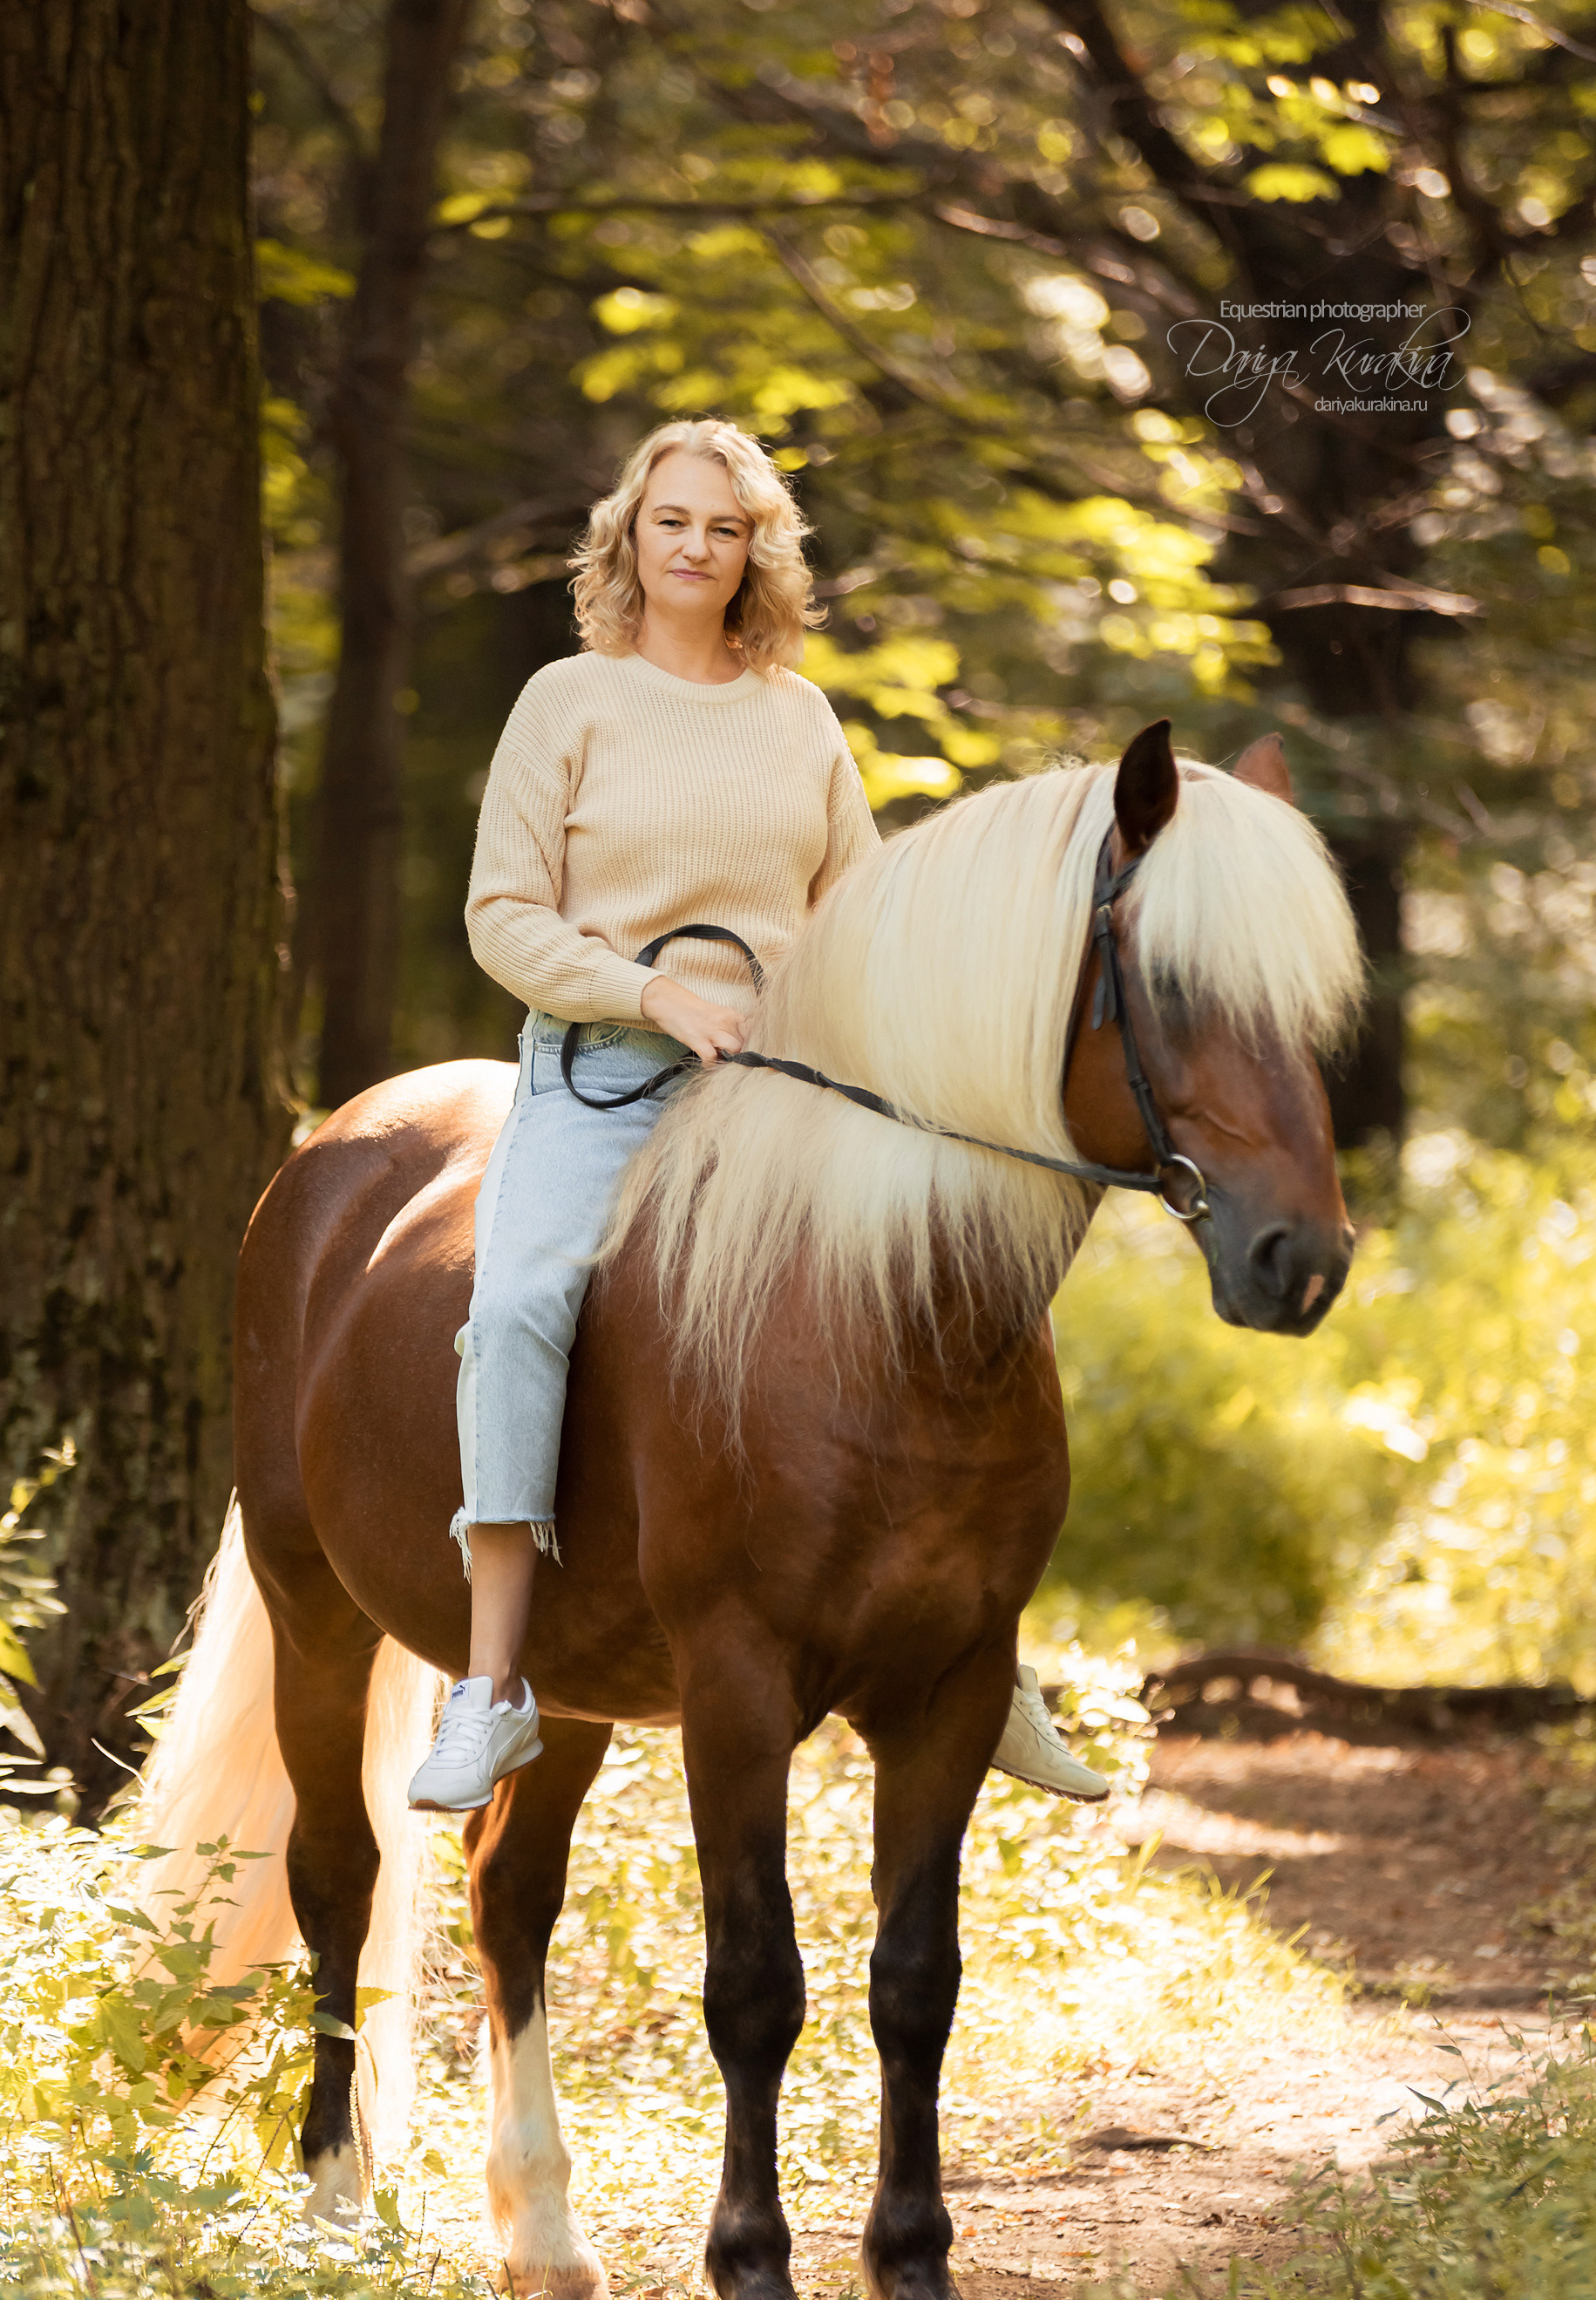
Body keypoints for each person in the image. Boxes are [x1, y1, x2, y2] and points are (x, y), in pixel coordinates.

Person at [407, 416, 1109, 1814]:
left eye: (724, 530)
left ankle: (990, 1649)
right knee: (523, 1306)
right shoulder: (569, 701)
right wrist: (654, 997)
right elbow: (501, 916)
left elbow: (855, 905)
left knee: (962, 1268)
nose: (696, 547)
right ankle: (489, 1691)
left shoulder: (799, 717)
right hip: (604, 1079)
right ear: (630, 533)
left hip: (788, 1093)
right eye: (673, 521)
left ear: (754, 556)